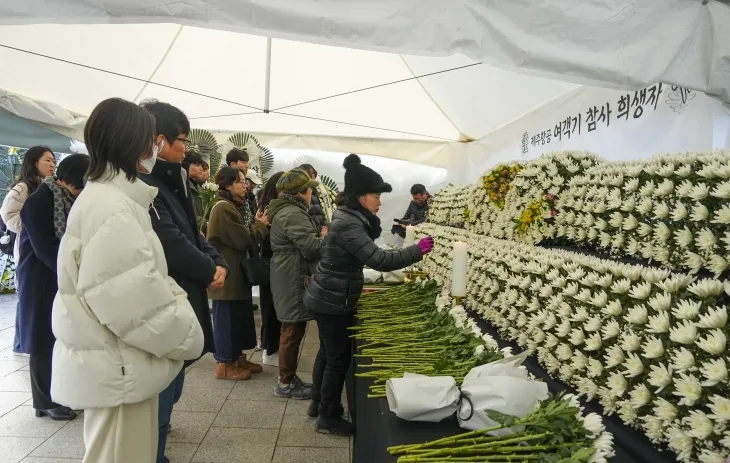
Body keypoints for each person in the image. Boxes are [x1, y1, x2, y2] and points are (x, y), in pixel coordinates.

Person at [51, 98, 204, 463]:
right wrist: (186, 329)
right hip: (119, 367)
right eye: (151, 140)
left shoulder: (110, 199)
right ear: (132, 143)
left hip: (115, 364)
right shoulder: (112, 207)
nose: (155, 148)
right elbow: (130, 300)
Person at [304, 154, 434, 436]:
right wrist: (417, 250)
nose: (379, 201)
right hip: (332, 299)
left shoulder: (347, 217)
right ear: (361, 196)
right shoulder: (350, 224)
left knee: (327, 353)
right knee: (336, 359)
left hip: (330, 295)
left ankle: (317, 403)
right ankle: (328, 416)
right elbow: (379, 260)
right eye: (376, 195)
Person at [138, 100, 229, 463]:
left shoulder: (176, 181)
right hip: (163, 302)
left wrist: (216, 262)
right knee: (160, 392)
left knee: (173, 384)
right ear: (156, 140)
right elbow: (170, 242)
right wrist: (209, 270)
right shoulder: (142, 185)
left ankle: (157, 440)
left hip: (180, 299)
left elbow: (193, 233)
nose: (186, 149)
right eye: (181, 140)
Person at [18, 154, 89, 422]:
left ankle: (58, 395)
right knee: (42, 340)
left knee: (58, 337)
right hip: (39, 278)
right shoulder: (38, 201)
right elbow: (44, 248)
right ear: (70, 178)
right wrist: (73, 271)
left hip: (60, 277)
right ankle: (44, 401)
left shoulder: (67, 199)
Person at [207, 167, 268, 381]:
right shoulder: (223, 208)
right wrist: (260, 225)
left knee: (237, 317)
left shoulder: (234, 206)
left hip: (235, 271)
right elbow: (243, 239)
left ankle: (237, 358)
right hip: (227, 272)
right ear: (227, 185)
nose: (245, 185)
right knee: (226, 318)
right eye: (240, 181)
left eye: (245, 181)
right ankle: (224, 363)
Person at [269, 168, 325, 400]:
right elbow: (311, 248)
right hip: (291, 277)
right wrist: (325, 237)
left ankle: (288, 378)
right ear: (302, 192)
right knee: (291, 329)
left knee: (291, 327)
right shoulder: (292, 213)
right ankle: (285, 382)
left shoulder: (288, 210)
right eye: (310, 189)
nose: (311, 193)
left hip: (290, 273)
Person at [1, 146, 56, 354]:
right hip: (27, 250)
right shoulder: (23, 188)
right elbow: (7, 213)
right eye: (47, 160)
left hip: (38, 248)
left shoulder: (47, 185)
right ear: (34, 162)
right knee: (26, 296)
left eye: (53, 161)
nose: (52, 164)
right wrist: (30, 228)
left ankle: (23, 341)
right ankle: (20, 342)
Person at [257, 172, 285, 368]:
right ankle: (270, 349)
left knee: (271, 307)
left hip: (271, 263)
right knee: (271, 309)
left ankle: (268, 346)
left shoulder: (269, 206)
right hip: (271, 263)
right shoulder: (271, 209)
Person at [299, 163, 328, 235]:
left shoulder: (314, 191)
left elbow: (321, 212)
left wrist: (326, 226)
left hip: (321, 231)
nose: (314, 177)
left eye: (314, 175)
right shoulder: (302, 193)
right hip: (314, 233)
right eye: (312, 175)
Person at [185, 150, 208, 226]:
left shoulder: (198, 186)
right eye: (197, 165)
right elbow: (191, 216)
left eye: (201, 165)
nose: (201, 169)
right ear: (186, 165)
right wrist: (208, 224)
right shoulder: (184, 186)